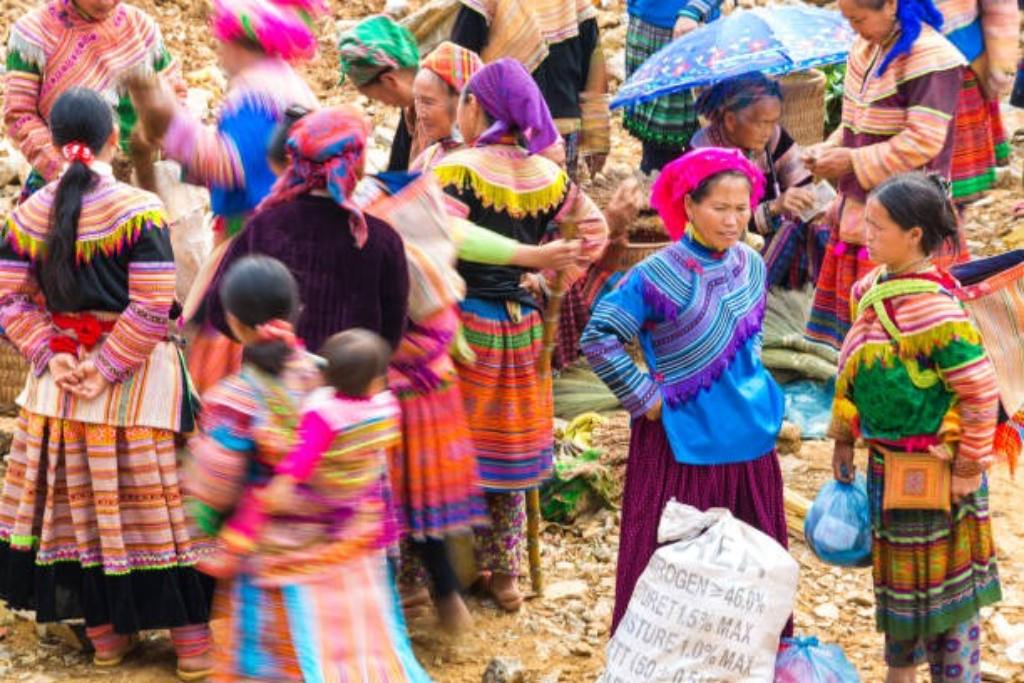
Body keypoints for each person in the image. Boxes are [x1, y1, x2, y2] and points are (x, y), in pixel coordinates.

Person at [0, 88, 211, 680]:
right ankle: (193, 650)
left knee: (81, 515)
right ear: (113, 139)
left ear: (54, 137)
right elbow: (151, 307)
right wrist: (107, 366)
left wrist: (52, 355)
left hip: (59, 390)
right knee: (159, 512)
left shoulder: (27, 214)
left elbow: (10, 300)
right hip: (135, 386)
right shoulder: (138, 210)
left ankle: (109, 645)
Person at [187, 257, 431, 681]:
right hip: (351, 555)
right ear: (296, 311)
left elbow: (214, 484)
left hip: (279, 566)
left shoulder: (236, 399)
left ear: (232, 321)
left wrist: (203, 529)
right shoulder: (336, 378)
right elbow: (374, 457)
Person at [581, 147, 789, 635]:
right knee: (676, 575)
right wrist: (646, 399)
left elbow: (750, 338)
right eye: (720, 208)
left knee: (750, 571)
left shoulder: (752, 265)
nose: (733, 220)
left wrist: (756, 387)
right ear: (689, 205)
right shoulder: (655, 275)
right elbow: (600, 336)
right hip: (681, 446)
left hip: (749, 444)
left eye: (742, 208)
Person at [434, 58, 608, 610]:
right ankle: (507, 577)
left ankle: (441, 575)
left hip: (467, 328)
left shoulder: (455, 170)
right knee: (509, 449)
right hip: (524, 328)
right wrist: (546, 277)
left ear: (478, 108)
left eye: (464, 100)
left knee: (453, 447)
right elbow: (594, 233)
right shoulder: (550, 176)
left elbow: (438, 234)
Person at [830, 172, 1001, 683]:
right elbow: (852, 368)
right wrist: (844, 435)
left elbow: (979, 391)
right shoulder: (871, 290)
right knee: (901, 593)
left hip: (940, 474)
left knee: (949, 599)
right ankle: (899, 675)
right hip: (887, 467)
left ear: (915, 236)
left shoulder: (935, 311)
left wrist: (969, 467)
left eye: (878, 226)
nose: (864, 231)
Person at [129, 0, 321, 396]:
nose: (218, 52)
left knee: (221, 330)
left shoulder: (258, 94)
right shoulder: (280, 85)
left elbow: (230, 165)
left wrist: (166, 119)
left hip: (253, 237)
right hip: (282, 230)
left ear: (240, 43)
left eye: (221, 42)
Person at [803, 0, 968, 351]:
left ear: (891, 5)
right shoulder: (866, 49)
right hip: (860, 208)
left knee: (907, 336)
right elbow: (854, 123)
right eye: (848, 19)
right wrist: (827, 149)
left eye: (859, 19)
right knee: (858, 334)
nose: (854, 29)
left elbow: (923, 140)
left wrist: (849, 162)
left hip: (907, 215)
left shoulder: (932, 59)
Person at [194, 328, 397, 581]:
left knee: (256, 501)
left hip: (325, 488)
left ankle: (230, 554)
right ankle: (351, 533)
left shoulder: (325, 412)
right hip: (358, 486)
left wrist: (281, 484)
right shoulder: (385, 406)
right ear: (375, 382)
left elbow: (304, 456)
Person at [3, 0, 186, 200]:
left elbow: (175, 97)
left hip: (140, 186)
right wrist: (65, 169)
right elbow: (20, 114)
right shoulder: (33, 35)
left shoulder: (141, 28)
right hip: (64, 185)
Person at [691, 73, 827, 289]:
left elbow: (802, 183)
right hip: (728, 252)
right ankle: (747, 297)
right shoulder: (705, 152)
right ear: (730, 121)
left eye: (774, 122)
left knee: (819, 230)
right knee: (788, 232)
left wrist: (813, 203)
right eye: (763, 123)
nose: (769, 131)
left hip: (775, 244)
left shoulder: (774, 139)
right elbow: (721, 223)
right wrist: (774, 207)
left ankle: (825, 298)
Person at [451, 0, 611, 181]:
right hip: (514, 134)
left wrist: (597, 134)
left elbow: (458, 63)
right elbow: (460, 60)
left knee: (513, 201)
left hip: (517, 134)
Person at [624, 0, 724, 173]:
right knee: (657, 149)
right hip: (647, 26)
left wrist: (694, 10)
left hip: (690, 28)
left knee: (704, 143)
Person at [934, 0, 1018, 203]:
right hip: (903, 58)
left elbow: (1000, 8)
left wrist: (1002, 64)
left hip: (962, 55)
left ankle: (948, 222)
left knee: (951, 186)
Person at [338, 15, 425, 172]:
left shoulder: (440, 110)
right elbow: (398, 168)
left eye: (377, 98)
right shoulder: (412, 108)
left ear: (390, 81)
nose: (384, 104)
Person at [409, 41, 484, 172]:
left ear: (464, 103)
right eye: (417, 100)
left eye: (428, 102)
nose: (420, 114)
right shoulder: (430, 155)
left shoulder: (480, 166)